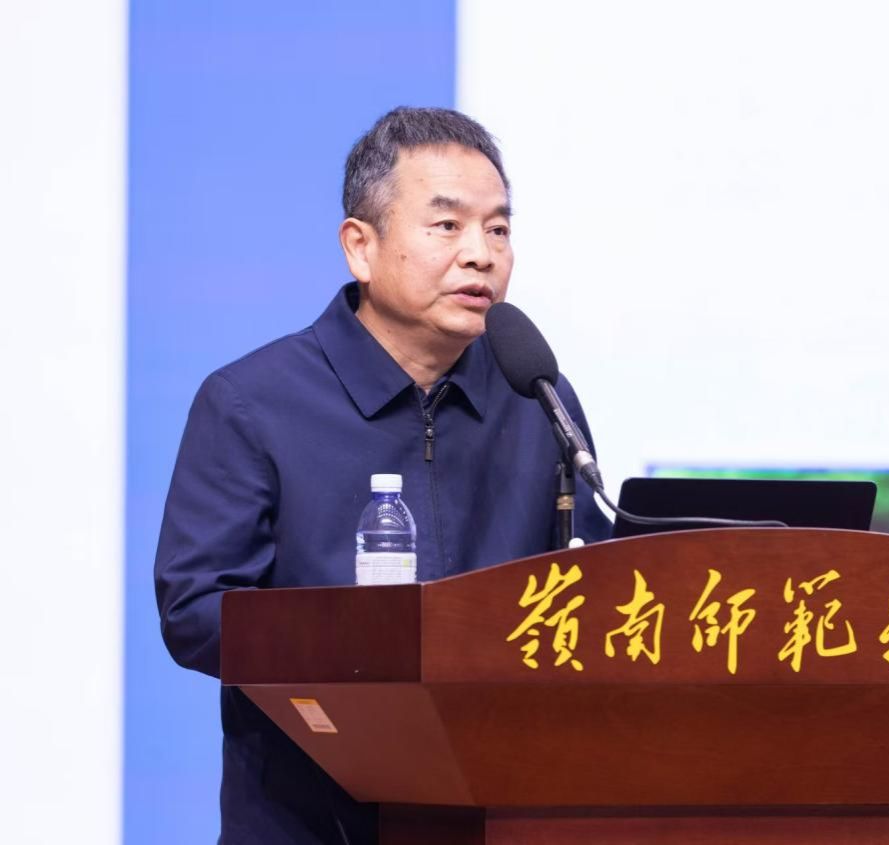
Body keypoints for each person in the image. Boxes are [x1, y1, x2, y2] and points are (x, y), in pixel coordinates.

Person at [155, 107, 611, 844]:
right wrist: (365, 647)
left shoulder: (536, 398)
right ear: (360, 247)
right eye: (447, 226)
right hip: (310, 816)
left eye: (498, 229)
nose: (481, 255)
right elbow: (196, 610)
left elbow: (591, 587)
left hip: (500, 810)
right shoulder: (252, 402)